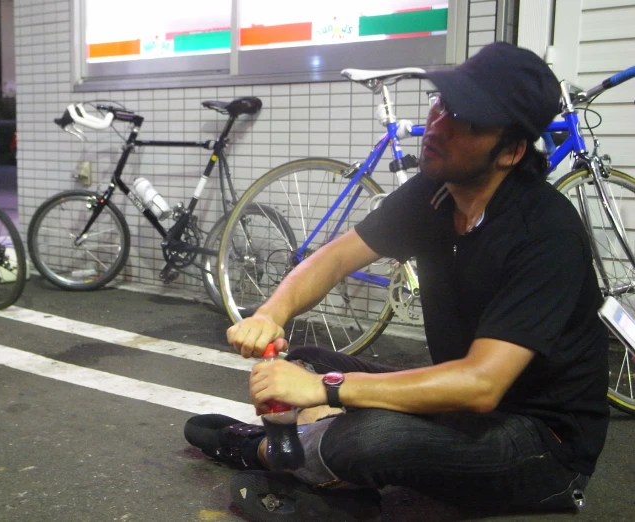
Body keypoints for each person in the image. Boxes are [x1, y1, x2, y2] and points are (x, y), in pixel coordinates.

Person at [184, 42, 610, 522]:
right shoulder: (436, 193)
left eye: (466, 120)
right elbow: (332, 259)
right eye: (443, 103)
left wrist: (326, 391)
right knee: (307, 359)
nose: (438, 125)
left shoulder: (544, 233)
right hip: (459, 410)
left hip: (539, 444)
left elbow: (480, 384)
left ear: (510, 151)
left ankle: (267, 452)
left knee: (366, 435)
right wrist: (271, 314)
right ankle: (328, 472)